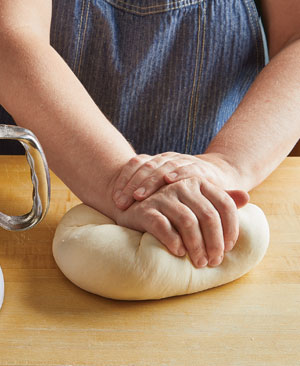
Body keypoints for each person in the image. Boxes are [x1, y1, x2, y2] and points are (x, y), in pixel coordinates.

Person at [0, 0, 299, 269]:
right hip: (35, 186)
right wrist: (116, 180)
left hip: (224, 183)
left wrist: (225, 166)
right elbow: (10, 37)